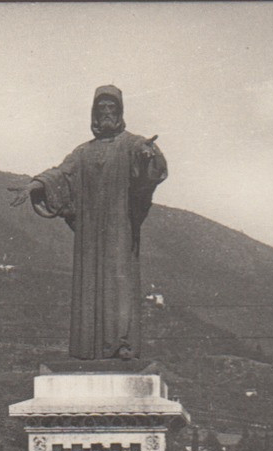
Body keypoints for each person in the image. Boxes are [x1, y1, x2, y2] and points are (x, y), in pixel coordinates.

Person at [10, 86, 168, 361]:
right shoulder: (83, 153)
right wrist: (35, 185)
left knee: (119, 281)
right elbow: (61, 173)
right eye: (101, 109)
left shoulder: (132, 144)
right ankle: (87, 348)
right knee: (89, 284)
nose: (107, 113)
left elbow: (150, 164)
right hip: (90, 233)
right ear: (94, 114)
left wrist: (149, 156)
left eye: (112, 108)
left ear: (120, 113)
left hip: (120, 228)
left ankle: (122, 344)